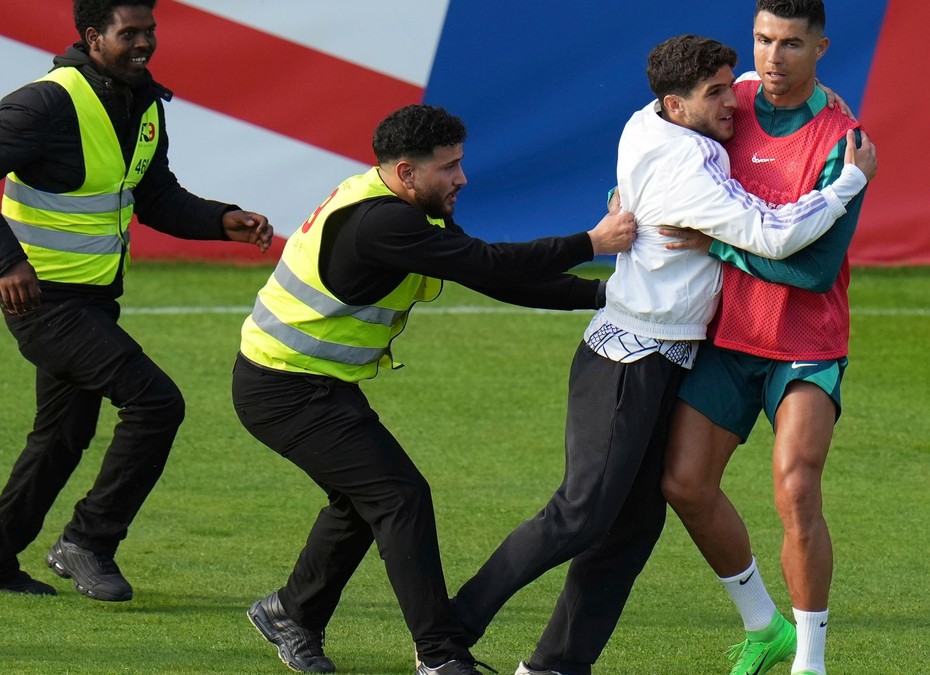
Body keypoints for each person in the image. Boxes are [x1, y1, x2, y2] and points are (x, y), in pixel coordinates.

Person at [449, 32, 876, 675]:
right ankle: (446, 632)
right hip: (632, 358)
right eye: (716, 94)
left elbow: (761, 90)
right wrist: (846, 185)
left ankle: (556, 666)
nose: (734, 100)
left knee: (631, 528)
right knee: (581, 512)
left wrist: (815, 93)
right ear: (677, 106)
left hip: (670, 356)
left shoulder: (647, 119)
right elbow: (774, 236)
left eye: (734, 84)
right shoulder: (689, 170)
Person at [233, 103, 638, 675]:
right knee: (398, 496)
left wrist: (604, 298)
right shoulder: (385, 223)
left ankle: (291, 613)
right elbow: (489, 260)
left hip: (306, 383)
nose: (462, 178)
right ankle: (440, 656)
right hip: (283, 388)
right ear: (406, 173)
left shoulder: (401, 205)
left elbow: (489, 275)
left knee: (367, 499)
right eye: (448, 167)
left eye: (460, 163)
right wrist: (590, 241)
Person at [0, 0, 273, 602]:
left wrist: (221, 219)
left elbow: (156, 197)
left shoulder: (143, 101)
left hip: (91, 302)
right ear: (93, 37)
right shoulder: (45, 102)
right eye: (129, 33)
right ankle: (87, 543)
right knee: (156, 403)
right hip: (43, 302)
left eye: (150, 31)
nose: (144, 43)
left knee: (62, 435)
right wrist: (5, 261)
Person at [660, 2, 871, 674]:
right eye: (762, 40)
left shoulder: (845, 141)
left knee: (796, 487)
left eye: (790, 44)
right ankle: (764, 624)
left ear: (821, 48)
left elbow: (811, 269)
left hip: (807, 342)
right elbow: (664, 150)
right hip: (730, 336)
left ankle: (811, 660)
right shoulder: (731, 102)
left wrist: (716, 243)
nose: (772, 58)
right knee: (685, 483)